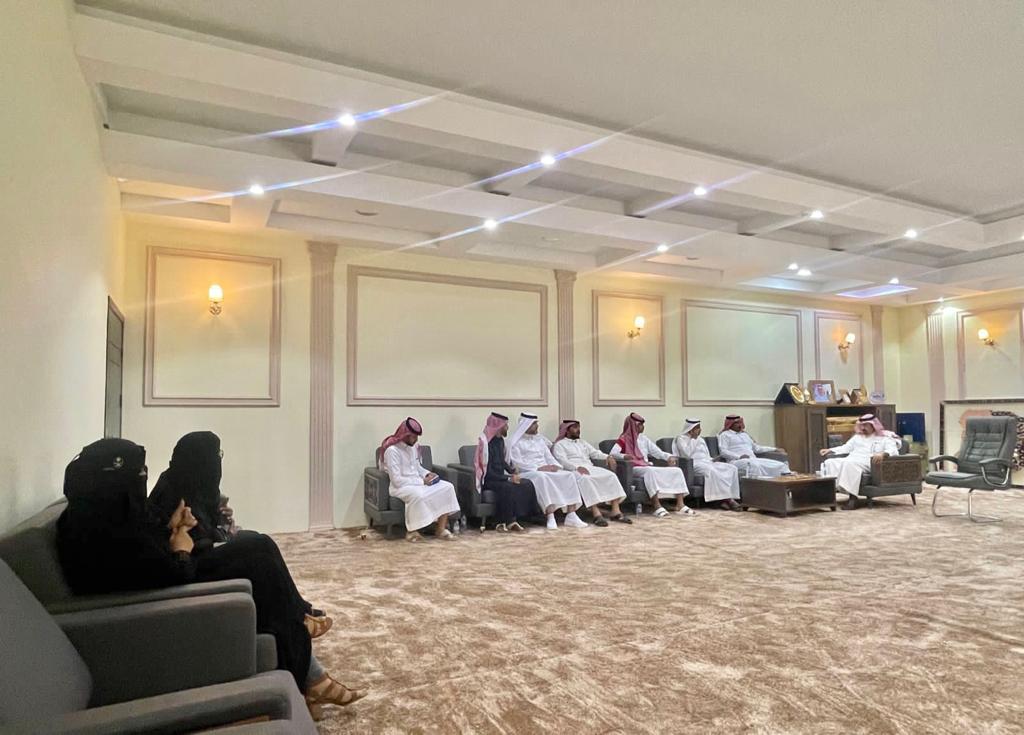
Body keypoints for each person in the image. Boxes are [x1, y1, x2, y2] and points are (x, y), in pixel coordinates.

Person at [56, 438, 366, 719]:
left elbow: (145, 555)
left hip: (174, 582)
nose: (142, 478)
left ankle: (307, 654)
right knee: (258, 561)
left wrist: (174, 529)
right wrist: (181, 547)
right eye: (137, 473)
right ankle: (306, 657)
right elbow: (164, 572)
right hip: (172, 601)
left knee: (258, 548)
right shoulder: (100, 533)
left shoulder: (95, 515)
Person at [149, 431, 329, 632]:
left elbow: (205, 526)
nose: (218, 461)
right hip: (192, 565)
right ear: (201, 459)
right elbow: (190, 541)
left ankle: (299, 609)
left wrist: (221, 520)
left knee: (259, 541)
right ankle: (296, 619)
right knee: (258, 552)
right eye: (216, 455)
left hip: (198, 555)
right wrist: (219, 536)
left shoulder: (184, 480)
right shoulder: (173, 495)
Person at [379, 417, 461, 542]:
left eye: (417, 436)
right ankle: (412, 532)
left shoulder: (413, 447)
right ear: (405, 435)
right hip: (401, 487)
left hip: (418, 483)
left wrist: (428, 474)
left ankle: (440, 529)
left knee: (447, 487)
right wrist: (422, 482)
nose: (416, 439)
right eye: (413, 436)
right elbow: (396, 480)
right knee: (419, 495)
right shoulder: (392, 451)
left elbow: (417, 467)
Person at [507, 413, 587, 530]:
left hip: (545, 469)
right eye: (534, 424)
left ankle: (571, 515)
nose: (537, 426)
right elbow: (517, 463)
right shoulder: (515, 442)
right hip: (528, 471)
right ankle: (550, 516)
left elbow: (549, 456)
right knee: (542, 477)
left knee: (569, 475)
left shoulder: (539, 440)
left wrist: (555, 466)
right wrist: (537, 468)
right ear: (526, 425)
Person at [551, 419, 631, 526]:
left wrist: (608, 457)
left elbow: (595, 453)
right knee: (586, 479)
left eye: (578, 427)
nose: (578, 430)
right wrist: (576, 467)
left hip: (589, 467)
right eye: (574, 427)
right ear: (566, 430)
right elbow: (562, 461)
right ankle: (596, 513)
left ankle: (615, 511)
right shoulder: (560, 445)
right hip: (572, 470)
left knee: (611, 475)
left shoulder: (582, 442)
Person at [612, 413, 692, 517]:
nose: (643, 427)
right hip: (634, 467)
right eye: (640, 425)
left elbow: (657, 452)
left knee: (677, 470)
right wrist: (624, 456)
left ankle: (680, 504)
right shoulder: (624, 439)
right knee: (650, 471)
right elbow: (612, 453)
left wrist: (668, 457)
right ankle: (656, 505)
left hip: (646, 465)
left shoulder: (644, 439)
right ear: (633, 426)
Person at [819, 414, 901, 508]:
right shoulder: (857, 437)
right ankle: (829, 496)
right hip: (853, 458)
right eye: (861, 425)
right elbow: (846, 447)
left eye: (865, 425)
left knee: (849, 464)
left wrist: (883, 454)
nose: (863, 428)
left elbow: (893, 450)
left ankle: (853, 499)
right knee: (830, 462)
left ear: (873, 425)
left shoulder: (885, 437)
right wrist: (830, 450)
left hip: (870, 462)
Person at [474, 412, 537, 532]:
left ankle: (523, 518)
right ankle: (501, 521)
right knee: (507, 487)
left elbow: (502, 461)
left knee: (527, 483)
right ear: (499, 426)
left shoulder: (500, 441)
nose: (507, 428)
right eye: (506, 425)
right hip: (489, 479)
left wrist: (512, 471)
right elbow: (487, 471)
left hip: (499, 478)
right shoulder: (485, 443)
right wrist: (507, 478)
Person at [673, 418, 742, 510]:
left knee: (731, 468)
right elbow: (687, 455)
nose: (700, 430)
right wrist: (693, 439)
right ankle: (728, 500)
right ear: (690, 429)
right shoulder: (681, 439)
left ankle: (730, 498)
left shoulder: (701, 439)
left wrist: (714, 459)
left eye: (699, 427)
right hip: (694, 464)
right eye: (697, 428)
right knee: (712, 471)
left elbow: (706, 455)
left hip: (707, 462)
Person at [718, 415, 791, 478]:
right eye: (737, 423)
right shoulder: (725, 435)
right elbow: (723, 452)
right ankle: (758, 487)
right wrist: (739, 457)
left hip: (753, 459)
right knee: (754, 466)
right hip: (736, 461)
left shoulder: (745, 435)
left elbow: (757, 448)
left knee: (780, 465)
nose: (740, 425)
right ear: (730, 424)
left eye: (740, 422)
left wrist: (775, 449)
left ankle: (781, 486)